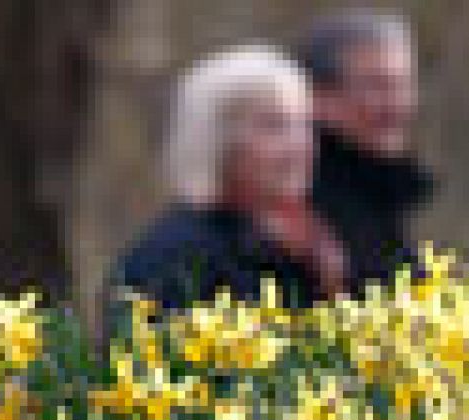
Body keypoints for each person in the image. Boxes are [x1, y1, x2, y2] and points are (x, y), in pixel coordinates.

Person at [114, 45, 346, 312]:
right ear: (217, 140)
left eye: (305, 125)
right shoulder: (174, 260)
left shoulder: (297, 249)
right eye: (273, 126)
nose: (300, 146)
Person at [298, 10, 434, 294]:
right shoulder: (300, 210)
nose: (397, 106)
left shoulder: (379, 198)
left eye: (402, 85)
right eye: (376, 86)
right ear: (318, 97)